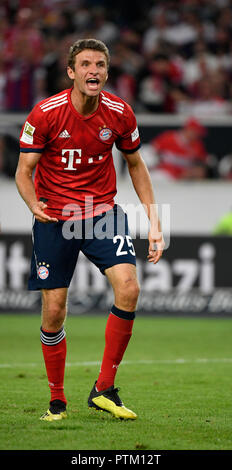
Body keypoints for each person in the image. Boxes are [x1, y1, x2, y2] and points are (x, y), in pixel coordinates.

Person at [15, 38, 164, 422]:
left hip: (100, 213)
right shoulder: (46, 114)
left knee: (129, 288)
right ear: (71, 72)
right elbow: (24, 171)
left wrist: (155, 222)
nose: (93, 70)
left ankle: (103, 388)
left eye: (99, 64)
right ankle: (57, 400)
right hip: (55, 217)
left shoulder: (119, 113)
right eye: (85, 64)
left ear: (107, 72)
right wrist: (34, 205)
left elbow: (136, 165)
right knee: (53, 310)